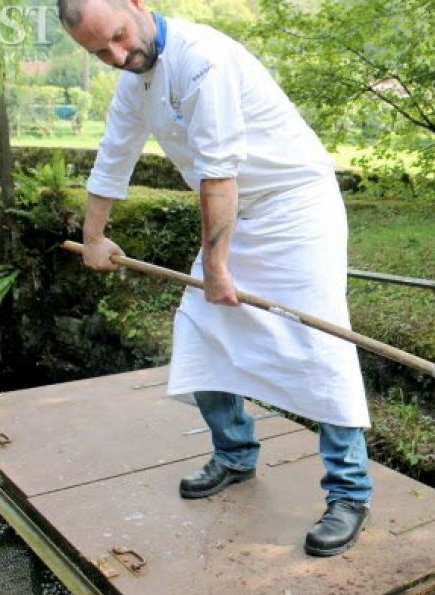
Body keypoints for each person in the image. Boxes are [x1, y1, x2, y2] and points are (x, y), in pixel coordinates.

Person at [57, 0, 372, 557]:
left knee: (319, 344)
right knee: (200, 330)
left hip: (296, 207)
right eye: (98, 52)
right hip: (237, 215)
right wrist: (94, 238)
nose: (117, 55)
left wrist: (218, 269)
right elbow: (113, 158)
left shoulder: (202, 60)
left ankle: (349, 493)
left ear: (136, 6)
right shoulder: (135, 83)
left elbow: (217, 173)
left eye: (119, 37)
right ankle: (234, 454)